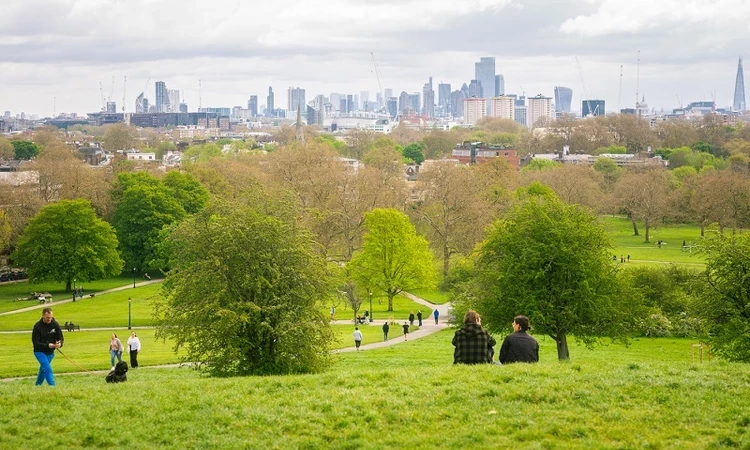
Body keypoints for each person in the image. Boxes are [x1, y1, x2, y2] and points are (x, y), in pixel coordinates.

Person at [32, 308, 63, 386]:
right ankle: (52, 387)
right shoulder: (37, 326)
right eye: (47, 317)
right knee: (47, 369)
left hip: (50, 353)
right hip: (39, 352)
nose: (50, 319)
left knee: (43, 369)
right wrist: (47, 345)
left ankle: (37, 385)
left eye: (51, 317)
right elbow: (35, 342)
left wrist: (59, 343)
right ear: (43, 316)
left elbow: (60, 337)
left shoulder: (55, 324)